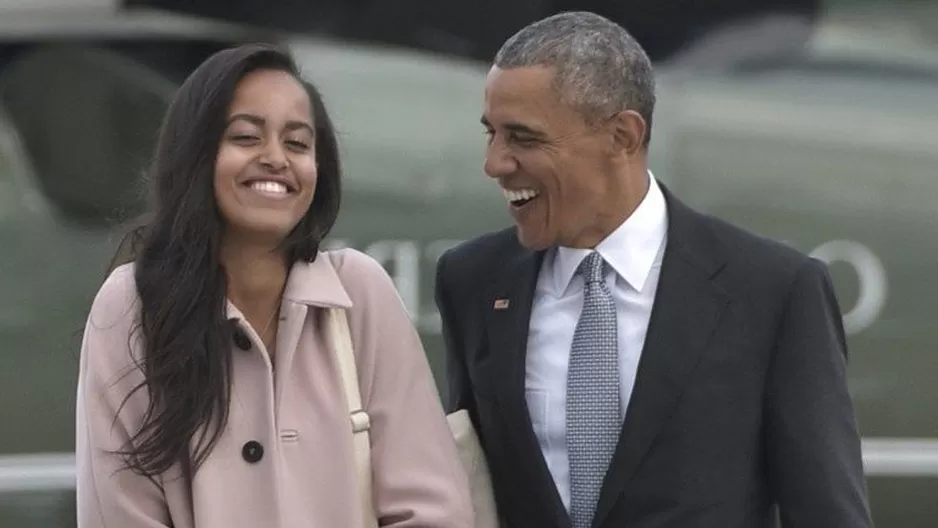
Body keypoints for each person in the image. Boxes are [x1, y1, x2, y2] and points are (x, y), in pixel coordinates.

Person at [435, 11, 873, 528]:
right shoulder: (472, 281)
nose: (495, 163)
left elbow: (827, 513)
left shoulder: (773, 290)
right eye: (491, 133)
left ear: (623, 136)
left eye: (523, 138)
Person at [76, 43, 473, 528]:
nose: (275, 158)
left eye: (298, 144)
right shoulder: (131, 304)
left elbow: (434, 511)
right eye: (245, 136)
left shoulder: (360, 292)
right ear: (196, 153)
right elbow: (119, 513)